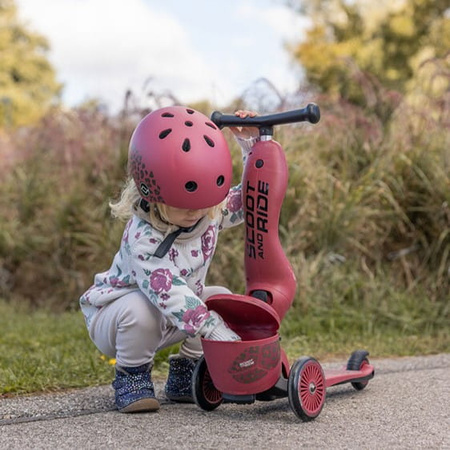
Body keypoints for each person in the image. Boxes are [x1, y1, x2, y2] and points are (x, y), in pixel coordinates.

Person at [80, 106, 259, 413]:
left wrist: (253, 147)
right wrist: (212, 328)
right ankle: (131, 376)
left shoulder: (207, 210)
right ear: (151, 193)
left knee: (222, 300)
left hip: (172, 315)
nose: (194, 212)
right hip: (115, 318)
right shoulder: (143, 238)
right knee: (142, 309)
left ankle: (185, 374)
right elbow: (169, 292)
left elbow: (250, 201)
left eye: (201, 203)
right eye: (181, 204)